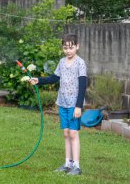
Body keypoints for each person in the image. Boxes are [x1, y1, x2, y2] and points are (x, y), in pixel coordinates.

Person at [29, 33, 87, 175]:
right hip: (63, 102)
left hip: (74, 104)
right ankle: (67, 164)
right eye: (65, 48)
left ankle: (77, 166)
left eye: (71, 47)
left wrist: (79, 106)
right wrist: (39, 80)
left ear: (77, 47)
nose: (68, 50)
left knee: (73, 133)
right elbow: (54, 78)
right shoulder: (61, 62)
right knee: (66, 133)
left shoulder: (80, 63)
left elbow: (83, 85)